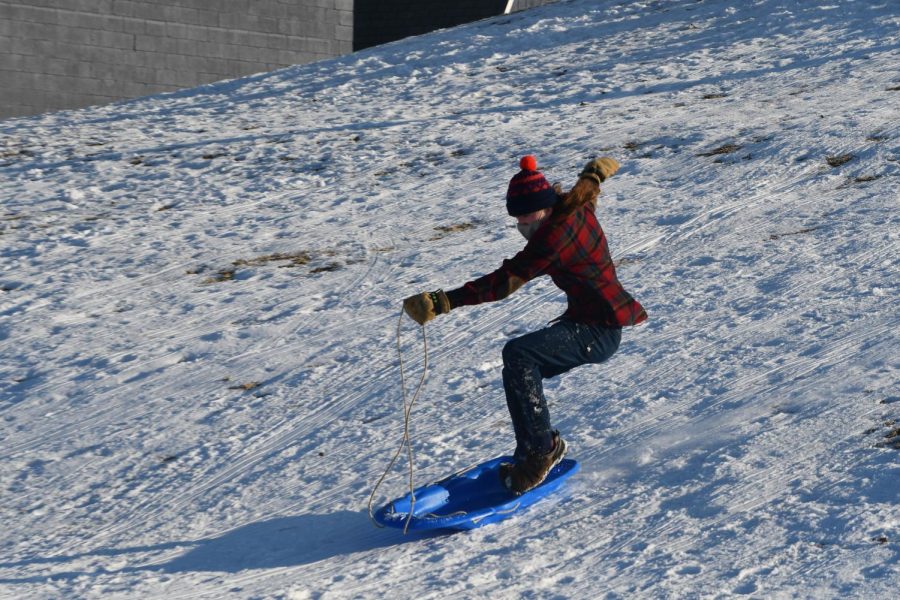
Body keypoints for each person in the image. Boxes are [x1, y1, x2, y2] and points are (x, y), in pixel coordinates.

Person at [403, 155, 647, 494]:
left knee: (520, 356)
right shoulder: (572, 208)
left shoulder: (552, 238)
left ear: (544, 209)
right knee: (517, 367)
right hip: (590, 320)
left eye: (525, 217)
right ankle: (534, 448)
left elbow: (504, 281)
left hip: (599, 330)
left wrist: (444, 301)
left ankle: (541, 452)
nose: (521, 225)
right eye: (516, 218)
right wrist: (594, 173)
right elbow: (586, 191)